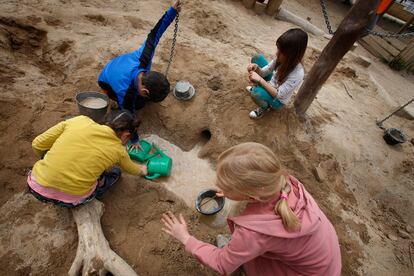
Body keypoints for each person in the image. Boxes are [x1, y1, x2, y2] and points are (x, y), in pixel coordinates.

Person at [162, 142, 342, 275]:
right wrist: (233, 191)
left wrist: (185, 238)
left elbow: (221, 264)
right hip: (327, 262)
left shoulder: (252, 233)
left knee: (244, 260)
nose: (219, 188)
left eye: (225, 187)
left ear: (251, 197)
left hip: (307, 273)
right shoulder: (284, 183)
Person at [27, 110, 147, 208]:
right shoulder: (119, 151)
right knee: (115, 172)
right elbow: (133, 169)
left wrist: (47, 156)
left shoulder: (78, 121)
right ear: (126, 135)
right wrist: (143, 169)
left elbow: (37, 144)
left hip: (36, 187)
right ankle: (100, 187)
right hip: (70, 200)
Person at [98, 0, 182, 113]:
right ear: (145, 92)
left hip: (119, 65)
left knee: (140, 98)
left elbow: (155, 34)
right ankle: (115, 100)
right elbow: (128, 117)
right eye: (147, 96)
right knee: (139, 104)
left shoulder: (144, 57)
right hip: (106, 82)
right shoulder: (125, 91)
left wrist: (172, 12)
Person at [246, 28, 308, 119]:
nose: (277, 53)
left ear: (293, 55)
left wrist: (260, 80)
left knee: (256, 93)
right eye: (278, 49)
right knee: (257, 58)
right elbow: (264, 72)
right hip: (272, 84)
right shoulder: (281, 59)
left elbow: (278, 95)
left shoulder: (298, 73)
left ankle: (265, 107)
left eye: (282, 52)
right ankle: (262, 89)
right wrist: (257, 69)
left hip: (278, 100)